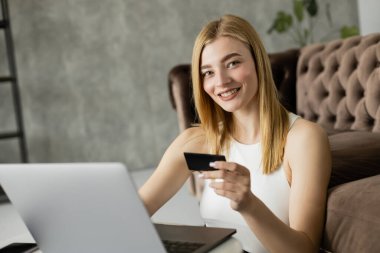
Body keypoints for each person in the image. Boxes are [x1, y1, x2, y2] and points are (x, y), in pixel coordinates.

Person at [139, 14, 331, 253]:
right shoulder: (197, 141)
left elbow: (305, 250)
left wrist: (249, 204)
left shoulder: (303, 139)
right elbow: (135, 211)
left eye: (232, 63)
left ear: (257, 62)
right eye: (208, 72)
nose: (221, 81)